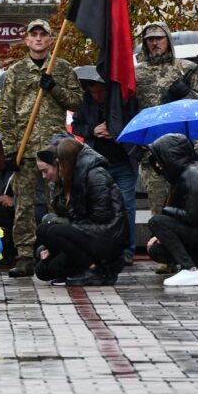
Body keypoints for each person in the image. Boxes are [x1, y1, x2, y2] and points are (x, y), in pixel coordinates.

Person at [0, 19, 82, 278]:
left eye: (42, 35)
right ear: (26, 40)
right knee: (23, 204)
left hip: (53, 148)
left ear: (50, 40)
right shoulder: (15, 72)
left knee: (56, 201)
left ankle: (56, 249)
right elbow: (6, 111)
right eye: (33, 34)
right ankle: (25, 254)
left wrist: (54, 88)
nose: (37, 39)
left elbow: (77, 101)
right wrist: (10, 149)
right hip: (25, 147)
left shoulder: (63, 68)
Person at [135, 22, 198, 217]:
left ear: (168, 40)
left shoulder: (186, 69)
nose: (154, 43)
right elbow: (126, 110)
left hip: (186, 152)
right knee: (159, 213)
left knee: (190, 210)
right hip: (153, 155)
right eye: (149, 39)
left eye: (158, 38)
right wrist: (138, 139)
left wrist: (187, 93)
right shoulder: (136, 74)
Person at [34, 139, 128, 287]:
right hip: (87, 234)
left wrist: (67, 226)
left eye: (45, 171)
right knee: (42, 269)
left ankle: (94, 269)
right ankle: (83, 267)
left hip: (106, 236)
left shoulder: (95, 175)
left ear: (60, 163)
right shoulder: (67, 179)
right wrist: (46, 249)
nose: (44, 177)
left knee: (52, 229)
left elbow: (101, 217)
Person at [144, 134, 198, 287]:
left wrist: (166, 211)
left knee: (156, 222)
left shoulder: (192, 175)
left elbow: (193, 217)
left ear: (170, 156)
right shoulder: (189, 172)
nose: (159, 165)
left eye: (161, 159)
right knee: (157, 249)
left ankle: (190, 270)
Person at [70, 69, 138, 264]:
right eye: (95, 93)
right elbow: (76, 126)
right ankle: (103, 248)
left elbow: (133, 122)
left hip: (123, 161)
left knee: (126, 206)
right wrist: (92, 131)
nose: (98, 97)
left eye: (101, 92)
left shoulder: (121, 101)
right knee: (100, 207)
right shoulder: (85, 102)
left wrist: (116, 131)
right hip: (98, 166)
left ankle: (128, 250)